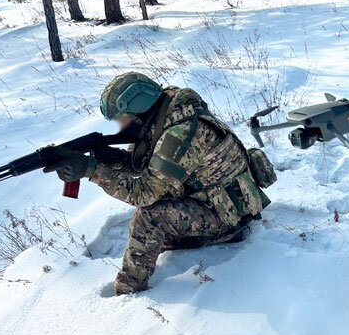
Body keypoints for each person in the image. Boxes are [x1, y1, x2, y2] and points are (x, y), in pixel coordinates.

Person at [44, 72, 276, 295]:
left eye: (122, 119)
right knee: (158, 205)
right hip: (215, 197)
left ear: (139, 112)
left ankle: (128, 291)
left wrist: (91, 170)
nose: (121, 127)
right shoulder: (169, 109)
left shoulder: (179, 134)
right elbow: (148, 165)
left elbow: (143, 193)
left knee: (150, 216)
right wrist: (111, 158)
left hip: (227, 216)